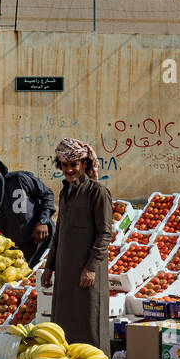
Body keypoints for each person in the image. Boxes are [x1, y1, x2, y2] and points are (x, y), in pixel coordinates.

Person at [40, 138, 113, 347]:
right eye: (65, 165)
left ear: (84, 164)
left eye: (74, 165)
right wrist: (49, 266)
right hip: (65, 271)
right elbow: (59, 232)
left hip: (87, 272)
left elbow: (104, 234)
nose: (69, 170)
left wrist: (90, 267)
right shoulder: (65, 193)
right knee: (63, 323)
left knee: (90, 323)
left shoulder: (97, 192)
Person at [0, 150, 57, 265]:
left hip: (44, 245)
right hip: (15, 259)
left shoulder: (20, 180)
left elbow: (47, 195)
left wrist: (42, 221)